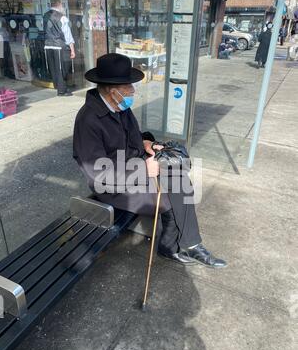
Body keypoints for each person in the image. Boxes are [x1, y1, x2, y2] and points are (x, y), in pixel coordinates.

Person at [73, 54, 227, 268]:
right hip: (114, 186)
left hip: (134, 167)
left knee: (180, 179)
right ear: (112, 89)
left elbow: (133, 136)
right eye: (128, 86)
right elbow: (98, 174)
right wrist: (144, 170)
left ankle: (190, 244)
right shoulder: (88, 120)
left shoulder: (118, 106)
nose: (133, 91)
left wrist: (147, 144)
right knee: (168, 198)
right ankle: (170, 247)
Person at [43, 0, 76, 96]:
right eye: (62, 5)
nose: (63, 8)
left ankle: (58, 86)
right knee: (62, 68)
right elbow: (67, 35)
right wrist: (72, 50)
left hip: (48, 45)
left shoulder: (45, 16)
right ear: (59, 6)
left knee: (54, 68)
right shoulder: (62, 17)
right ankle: (62, 90)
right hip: (59, 46)